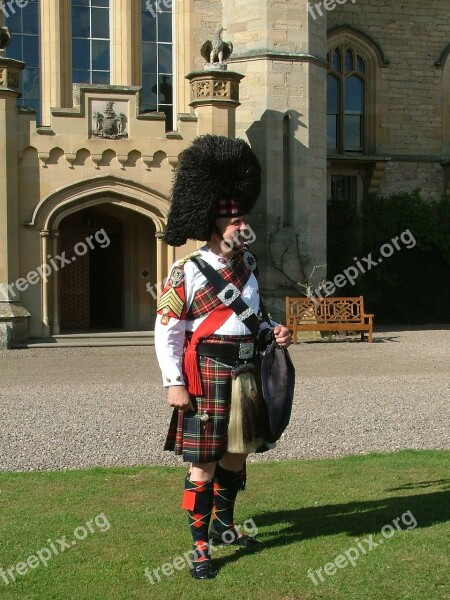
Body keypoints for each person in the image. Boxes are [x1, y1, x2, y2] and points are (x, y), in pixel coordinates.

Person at [155, 135, 292, 580]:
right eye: (233, 219)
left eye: (241, 217)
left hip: (247, 369)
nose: (241, 224)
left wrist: (274, 330)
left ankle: (225, 526)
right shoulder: (186, 271)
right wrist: (172, 382)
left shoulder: (249, 265)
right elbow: (167, 329)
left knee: (237, 455)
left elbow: (256, 315)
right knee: (203, 464)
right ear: (212, 222)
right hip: (205, 373)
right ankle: (199, 549)